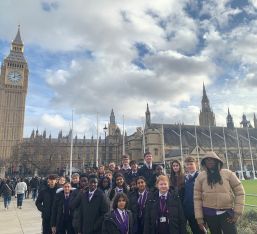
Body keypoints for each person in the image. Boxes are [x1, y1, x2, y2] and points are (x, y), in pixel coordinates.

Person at [194, 151, 245, 234]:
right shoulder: (200, 176)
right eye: (207, 160)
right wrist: (200, 219)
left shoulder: (228, 173)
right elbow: (197, 199)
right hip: (209, 214)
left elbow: (240, 192)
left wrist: (237, 212)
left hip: (226, 213)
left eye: (212, 159)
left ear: (217, 161)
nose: (209, 162)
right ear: (204, 163)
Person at [182, 156, 204, 234]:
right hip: (188, 211)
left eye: (191, 164)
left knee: (201, 231)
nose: (189, 166)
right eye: (187, 165)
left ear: (196, 164)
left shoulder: (201, 176)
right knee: (194, 230)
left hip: (198, 210)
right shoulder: (185, 178)